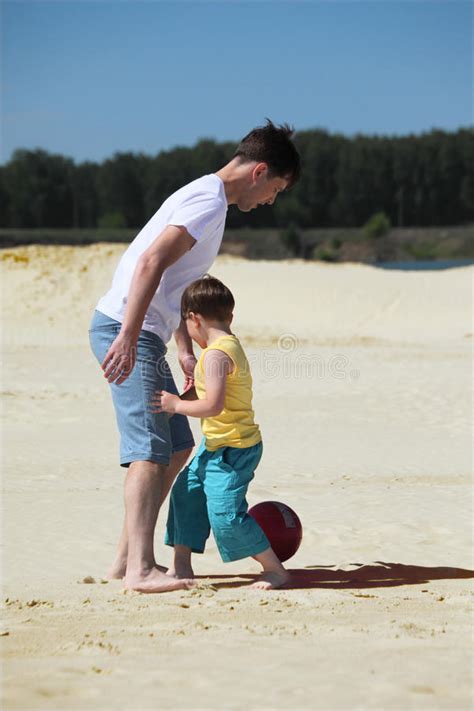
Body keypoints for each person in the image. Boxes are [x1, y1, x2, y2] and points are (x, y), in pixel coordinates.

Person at [88, 119, 300, 593]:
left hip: (145, 332)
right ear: (259, 171)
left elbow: (176, 285)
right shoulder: (206, 202)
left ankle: (126, 560)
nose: (271, 201)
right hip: (128, 329)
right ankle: (141, 570)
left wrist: (183, 348)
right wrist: (127, 334)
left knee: (179, 443)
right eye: (276, 189)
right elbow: (151, 263)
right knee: (147, 449)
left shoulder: (210, 202)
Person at [150, 276, 290, 590]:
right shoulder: (227, 344)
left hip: (234, 449)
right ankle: (181, 565)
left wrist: (174, 404)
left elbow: (212, 406)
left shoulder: (215, 355)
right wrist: (191, 394)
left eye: (186, 325)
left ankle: (275, 569)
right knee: (185, 495)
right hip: (214, 445)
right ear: (229, 317)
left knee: (226, 512)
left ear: (193, 319)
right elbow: (213, 397)